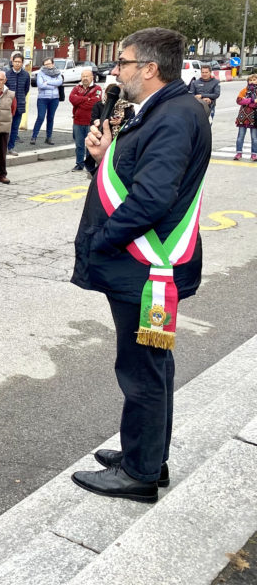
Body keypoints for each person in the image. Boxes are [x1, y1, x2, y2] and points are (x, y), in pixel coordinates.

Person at [71, 27, 211, 503]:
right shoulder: (163, 110)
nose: (117, 71)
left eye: (123, 63)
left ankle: (140, 474)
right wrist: (102, 157)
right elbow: (134, 176)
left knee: (141, 370)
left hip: (145, 269)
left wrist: (102, 242)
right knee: (152, 366)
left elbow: (151, 199)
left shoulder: (173, 117)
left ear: (149, 68)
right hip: (142, 269)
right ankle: (147, 455)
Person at [68, 70, 102, 170]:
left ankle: (89, 164)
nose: (85, 78)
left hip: (90, 122)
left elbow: (95, 102)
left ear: (92, 77)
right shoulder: (76, 88)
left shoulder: (97, 88)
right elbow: (71, 99)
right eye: (83, 76)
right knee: (79, 145)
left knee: (90, 145)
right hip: (77, 121)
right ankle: (79, 164)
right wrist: (86, 99)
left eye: (87, 76)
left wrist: (79, 100)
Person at [30, 58, 63, 145]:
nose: (48, 65)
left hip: (54, 98)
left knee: (50, 118)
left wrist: (47, 82)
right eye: (46, 64)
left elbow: (60, 82)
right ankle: (34, 137)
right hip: (42, 98)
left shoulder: (57, 72)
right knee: (40, 117)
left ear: (53, 63)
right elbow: (40, 85)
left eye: (49, 63)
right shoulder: (40, 73)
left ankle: (49, 138)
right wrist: (53, 84)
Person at [5, 52, 31, 154]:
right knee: (5, 128)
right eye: (15, 62)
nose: (17, 64)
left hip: (19, 106)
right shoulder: (7, 74)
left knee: (15, 128)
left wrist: (19, 98)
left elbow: (26, 90)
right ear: (12, 62)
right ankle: (3, 148)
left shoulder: (25, 75)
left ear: (22, 63)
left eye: (19, 62)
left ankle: (10, 147)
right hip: (7, 106)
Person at [234, 73, 257, 161]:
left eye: (254, 80)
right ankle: (238, 153)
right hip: (243, 117)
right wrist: (251, 100)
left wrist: (246, 101)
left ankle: (254, 154)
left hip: (254, 117)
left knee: (254, 137)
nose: (252, 82)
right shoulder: (244, 90)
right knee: (240, 136)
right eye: (250, 80)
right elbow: (239, 100)